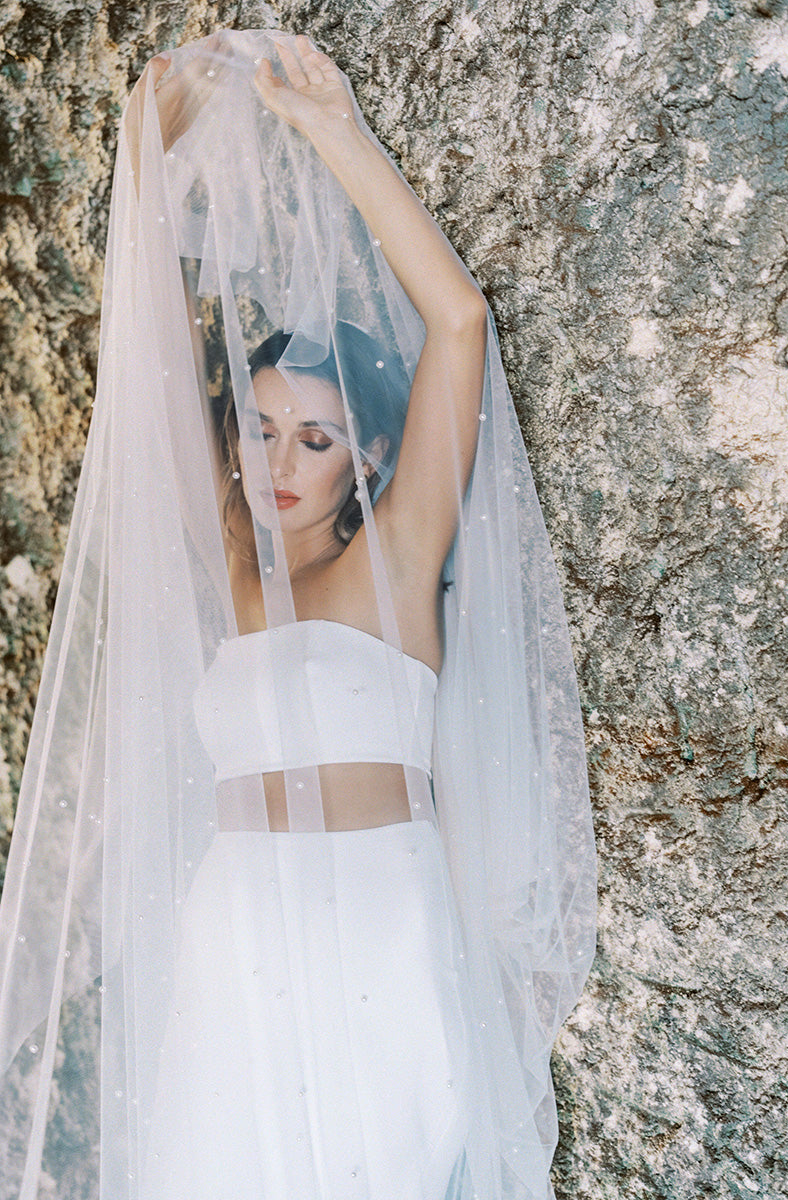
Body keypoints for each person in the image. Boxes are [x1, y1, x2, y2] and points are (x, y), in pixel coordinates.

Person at [0, 29, 596, 1200]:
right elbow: (155, 360)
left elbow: (459, 323)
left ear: (365, 455)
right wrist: (141, 163)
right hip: (233, 930)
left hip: (380, 918)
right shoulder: (226, 563)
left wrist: (332, 131)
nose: (276, 459)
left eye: (312, 438)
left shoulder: (400, 552)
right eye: (260, 427)